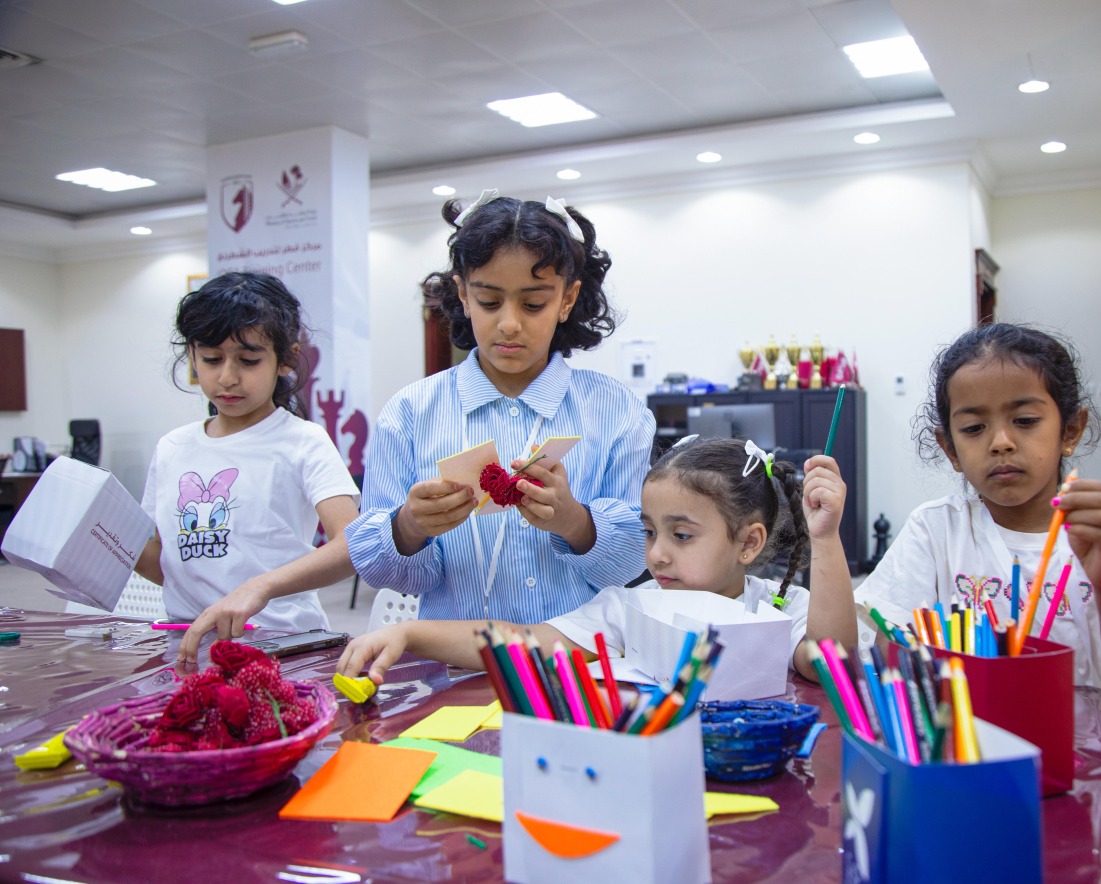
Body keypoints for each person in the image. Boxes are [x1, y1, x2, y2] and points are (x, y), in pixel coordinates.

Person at [345, 191, 654, 623]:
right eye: (490, 301)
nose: (509, 323)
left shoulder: (617, 411)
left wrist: (575, 523)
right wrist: (409, 527)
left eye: (533, 304)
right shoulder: (410, 414)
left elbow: (634, 562)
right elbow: (379, 569)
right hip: (453, 665)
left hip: (576, 665)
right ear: (464, 295)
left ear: (567, 299)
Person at [337, 436, 857, 685]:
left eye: (681, 534)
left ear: (748, 543)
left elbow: (834, 662)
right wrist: (412, 635)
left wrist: (827, 538)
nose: (656, 554)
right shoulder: (629, 609)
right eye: (650, 532)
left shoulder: (778, 612)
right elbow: (523, 643)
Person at [855, 323, 1101, 691]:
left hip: (1079, 742)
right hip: (970, 740)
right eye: (973, 428)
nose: (1001, 442)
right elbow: (891, 650)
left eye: (1025, 421)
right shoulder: (935, 529)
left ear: (1070, 430)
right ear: (950, 448)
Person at [135, 272, 361, 663]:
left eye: (248, 360)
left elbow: (351, 546)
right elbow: (165, 562)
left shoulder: (302, 441)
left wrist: (260, 588)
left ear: (284, 360)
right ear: (192, 356)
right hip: (190, 647)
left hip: (285, 645)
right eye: (211, 359)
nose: (227, 376)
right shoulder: (172, 447)